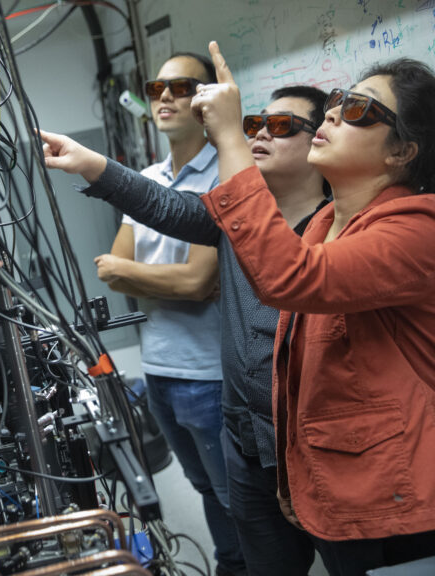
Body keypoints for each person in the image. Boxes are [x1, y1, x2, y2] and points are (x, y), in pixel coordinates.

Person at [43, 42, 435, 576]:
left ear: (402, 152)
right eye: (340, 100)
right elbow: (175, 209)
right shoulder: (327, 224)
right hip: (281, 444)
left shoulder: (415, 230)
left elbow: (289, 276)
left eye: (361, 110)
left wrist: (228, 137)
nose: (337, 114)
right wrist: (94, 166)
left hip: (375, 478)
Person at [42, 84, 328, 575]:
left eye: (281, 127)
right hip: (244, 436)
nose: (259, 133)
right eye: (255, 123)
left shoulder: (342, 229)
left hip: (313, 443)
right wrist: (90, 162)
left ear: (319, 144)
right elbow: (164, 205)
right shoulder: (236, 217)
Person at [96, 52, 245, 576]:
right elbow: (111, 272)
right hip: (158, 367)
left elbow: (197, 280)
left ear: (206, 100)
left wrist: (137, 274)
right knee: (204, 486)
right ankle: (232, 562)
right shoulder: (146, 178)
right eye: (157, 86)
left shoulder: (225, 175)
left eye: (181, 87)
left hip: (208, 373)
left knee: (236, 498)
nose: (164, 96)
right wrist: (152, 279)